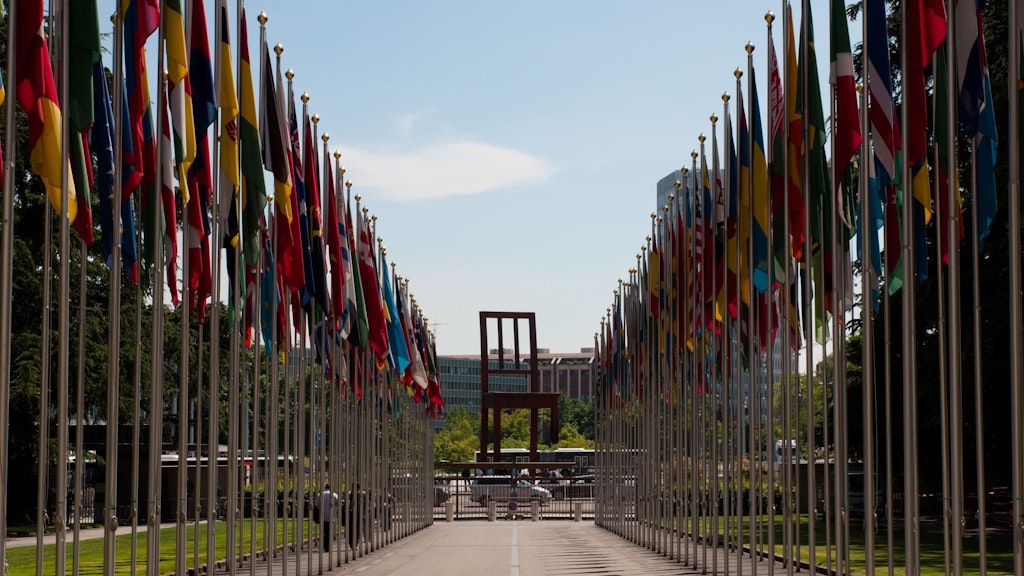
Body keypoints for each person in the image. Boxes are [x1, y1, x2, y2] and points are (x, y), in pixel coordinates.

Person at [318, 483, 339, 553]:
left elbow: (316, 504)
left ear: (325, 487)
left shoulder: (320, 494)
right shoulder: (334, 495)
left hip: (322, 516)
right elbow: (338, 504)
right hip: (331, 516)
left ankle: (325, 545)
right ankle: (328, 546)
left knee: (323, 532)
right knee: (329, 532)